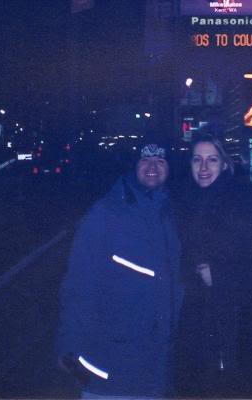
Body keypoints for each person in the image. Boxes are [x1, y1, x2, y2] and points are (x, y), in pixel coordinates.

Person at [57, 136, 183, 399]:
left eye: (160, 161)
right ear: (133, 166)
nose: (152, 166)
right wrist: (70, 351)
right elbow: (77, 286)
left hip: (154, 371)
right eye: (145, 160)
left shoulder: (171, 214)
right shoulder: (105, 213)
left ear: (169, 169)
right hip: (108, 368)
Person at [174, 134, 252, 397]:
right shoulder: (185, 200)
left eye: (212, 160)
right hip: (195, 313)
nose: (204, 168)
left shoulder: (243, 201)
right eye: (197, 160)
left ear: (225, 164)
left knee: (227, 383)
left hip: (234, 315)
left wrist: (218, 274)